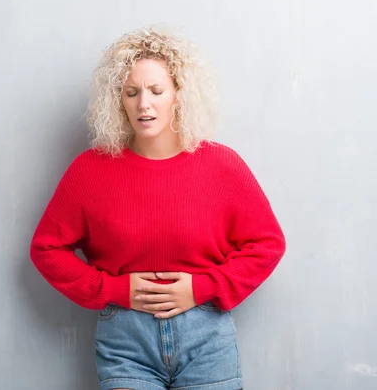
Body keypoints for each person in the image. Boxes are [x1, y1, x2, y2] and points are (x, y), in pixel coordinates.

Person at [29, 26, 286, 390]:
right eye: (131, 92)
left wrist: (203, 287)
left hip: (206, 338)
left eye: (156, 90)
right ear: (118, 100)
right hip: (126, 341)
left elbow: (267, 243)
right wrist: (113, 290)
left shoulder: (222, 166)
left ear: (178, 95)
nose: (143, 104)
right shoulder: (90, 169)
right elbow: (46, 248)